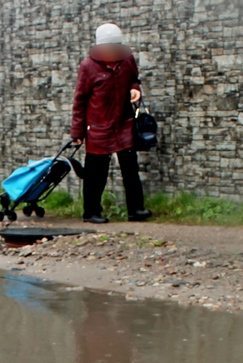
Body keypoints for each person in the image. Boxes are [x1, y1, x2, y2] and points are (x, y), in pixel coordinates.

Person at [71, 23, 153, 225]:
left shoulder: (127, 60)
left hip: (123, 123)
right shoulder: (88, 66)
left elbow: (135, 79)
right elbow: (80, 101)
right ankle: (91, 212)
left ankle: (136, 209)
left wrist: (135, 89)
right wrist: (77, 132)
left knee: (130, 170)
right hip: (98, 127)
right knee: (95, 174)